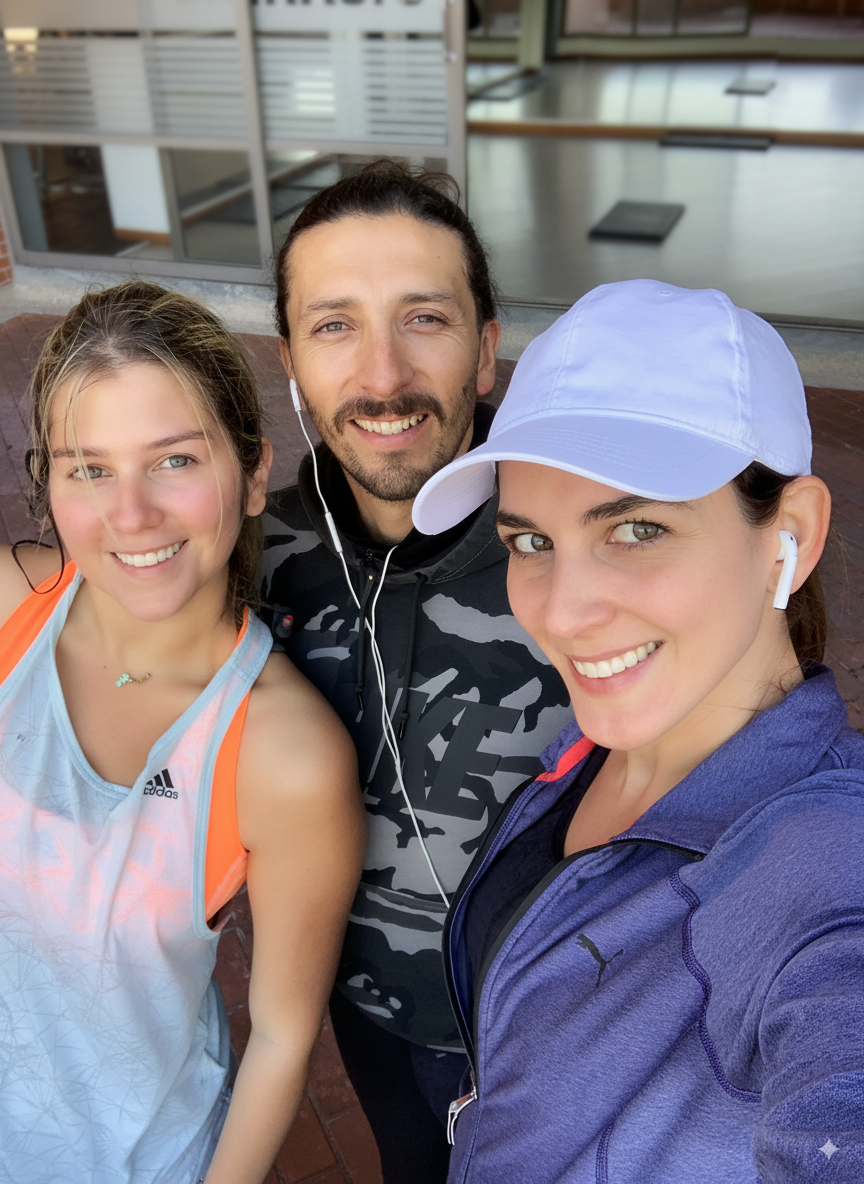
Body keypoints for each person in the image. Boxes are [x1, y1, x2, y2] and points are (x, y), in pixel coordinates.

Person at [412, 279, 864, 1183]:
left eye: (638, 529)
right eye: (531, 542)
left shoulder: (822, 874)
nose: (563, 615)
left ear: (793, 534)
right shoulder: (590, 748)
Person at [0, 280, 364, 1184]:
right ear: (48, 481)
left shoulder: (281, 754)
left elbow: (282, 1035)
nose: (131, 514)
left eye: (173, 460)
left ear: (248, 476)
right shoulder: (8, 611)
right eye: (90, 467)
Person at [260, 159, 572, 1180]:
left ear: (487, 352)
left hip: (555, 1040)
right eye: (336, 324)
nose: (383, 376)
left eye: (425, 319)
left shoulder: (580, 551)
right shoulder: (259, 556)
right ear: (294, 360)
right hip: (372, 1022)